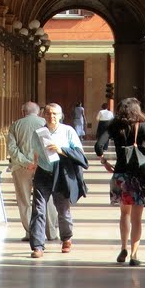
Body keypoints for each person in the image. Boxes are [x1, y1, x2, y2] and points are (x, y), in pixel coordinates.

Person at [95, 96, 145, 267]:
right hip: (139, 176)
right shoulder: (142, 125)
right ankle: (134, 253)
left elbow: (99, 146)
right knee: (137, 218)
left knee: (124, 214)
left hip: (121, 175)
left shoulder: (113, 126)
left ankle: (123, 247)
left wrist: (105, 163)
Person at [29, 103, 88, 258]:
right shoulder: (38, 132)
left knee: (62, 209)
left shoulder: (68, 131)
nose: (51, 116)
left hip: (61, 173)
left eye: (55, 114)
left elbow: (79, 152)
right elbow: (36, 151)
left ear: (61, 116)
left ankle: (67, 237)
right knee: (39, 209)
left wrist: (61, 150)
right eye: (48, 113)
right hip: (43, 172)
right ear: (43, 115)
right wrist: (34, 165)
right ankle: (37, 246)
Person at [7, 101, 58, 242]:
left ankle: (31, 233)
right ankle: (51, 232)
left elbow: (12, 149)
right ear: (39, 112)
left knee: (24, 200)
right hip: (43, 167)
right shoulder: (45, 124)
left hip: (22, 168)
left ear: (23, 112)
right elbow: (50, 147)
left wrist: (26, 162)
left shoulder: (15, 125)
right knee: (47, 199)